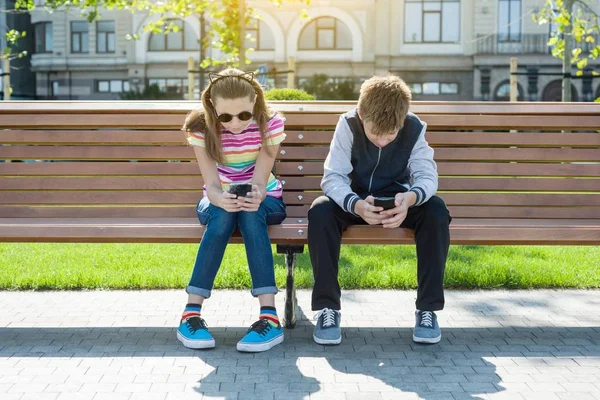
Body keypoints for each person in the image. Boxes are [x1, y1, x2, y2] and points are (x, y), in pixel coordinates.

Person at [308, 75, 451, 345]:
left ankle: (428, 309)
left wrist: (410, 199)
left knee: (436, 211)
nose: (382, 141)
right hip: (355, 201)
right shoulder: (348, 124)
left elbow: (426, 175)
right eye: (375, 134)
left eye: (391, 135)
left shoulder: (414, 127)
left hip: (399, 200)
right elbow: (332, 177)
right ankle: (328, 308)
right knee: (320, 211)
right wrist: (356, 204)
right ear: (362, 115)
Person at [178, 68, 287, 352]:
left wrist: (256, 195)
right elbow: (212, 185)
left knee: (251, 213)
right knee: (224, 214)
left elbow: (260, 182)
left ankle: (269, 318)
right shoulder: (201, 128)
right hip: (218, 200)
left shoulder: (269, 125)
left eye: (244, 115)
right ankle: (191, 314)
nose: (235, 123)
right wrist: (220, 198)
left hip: (265, 199)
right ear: (213, 108)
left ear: (255, 104)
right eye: (225, 117)